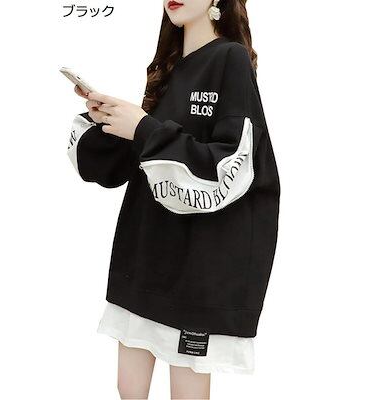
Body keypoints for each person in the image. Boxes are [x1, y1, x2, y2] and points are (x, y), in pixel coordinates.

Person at [67, 0, 280, 398]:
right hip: (144, 255)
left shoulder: (230, 59)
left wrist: (144, 127)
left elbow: (233, 165)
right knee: (128, 389)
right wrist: (113, 122)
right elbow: (138, 163)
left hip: (195, 270)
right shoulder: (167, 69)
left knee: (185, 390)